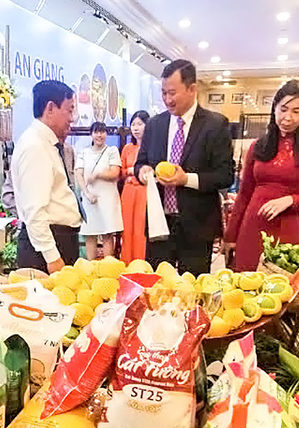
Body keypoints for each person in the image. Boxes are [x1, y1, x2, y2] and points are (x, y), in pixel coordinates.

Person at [135, 59, 235, 275]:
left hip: (197, 226)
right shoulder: (155, 124)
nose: (167, 100)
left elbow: (225, 175)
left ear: (192, 89)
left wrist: (186, 179)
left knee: (193, 291)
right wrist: (143, 172)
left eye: (172, 93)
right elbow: (140, 162)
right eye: (163, 93)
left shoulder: (215, 125)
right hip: (159, 223)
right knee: (157, 288)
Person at [223, 80, 299, 272]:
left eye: (296, 111)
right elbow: (244, 194)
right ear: (274, 109)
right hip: (252, 224)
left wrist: (290, 200)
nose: (287, 117)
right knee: (245, 280)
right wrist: (230, 235)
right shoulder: (258, 146)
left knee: (278, 285)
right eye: (283, 109)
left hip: (287, 225)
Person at [12, 80, 82, 273]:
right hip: (47, 249)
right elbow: (35, 211)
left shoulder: (47, 143)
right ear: (50, 108)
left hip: (59, 241)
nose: (72, 118)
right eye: (69, 110)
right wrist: (53, 258)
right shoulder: (35, 146)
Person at [75, 122, 123, 259]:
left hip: (108, 199)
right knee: (90, 234)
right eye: (96, 132)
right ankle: (90, 268)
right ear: (91, 134)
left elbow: (115, 173)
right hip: (90, 199)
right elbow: (78, 174)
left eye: (102, 132)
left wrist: (97, 174)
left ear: (106, 134)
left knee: (108, 234)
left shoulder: (112, 151)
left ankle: (108, 267)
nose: (99, 135)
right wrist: (87, 193)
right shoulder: (84, 153)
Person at [119, 110, 151, 263]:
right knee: (127, 228)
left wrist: (133, 171)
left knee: (141, 229)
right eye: (133, 124)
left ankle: (141, 262)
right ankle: (126, 262)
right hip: (128, 191)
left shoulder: (153, 147)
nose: (136, 128)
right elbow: (122, 171)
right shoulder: (127, 148)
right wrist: (131, 171)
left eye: (140, 124)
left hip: (144, 191)